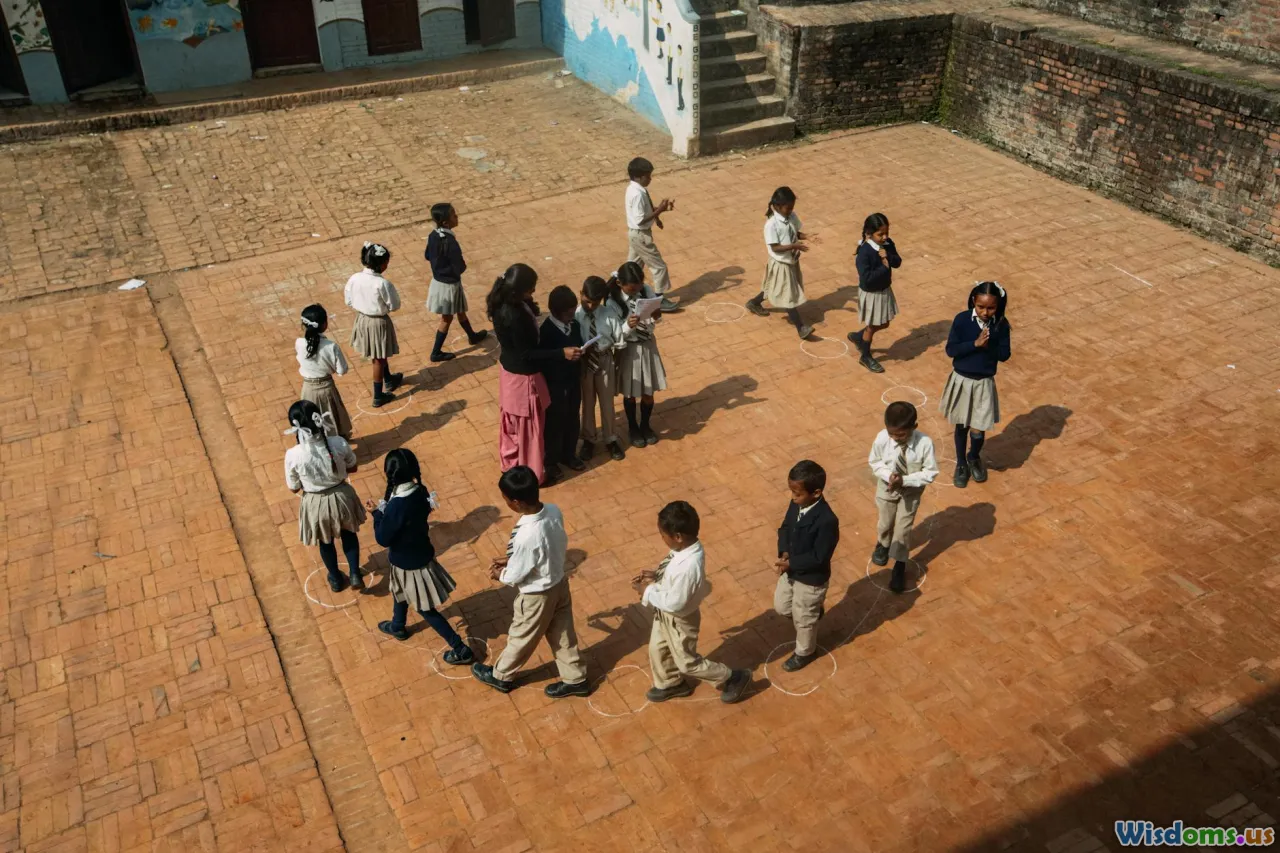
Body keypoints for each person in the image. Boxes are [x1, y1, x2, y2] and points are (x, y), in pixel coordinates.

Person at [471, 466, 590, 698]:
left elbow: (515, 574)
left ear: (515, 502)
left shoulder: (527, 535)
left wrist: (501, 574)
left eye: (505, 498)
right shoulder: (553, 511)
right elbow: (544, 549)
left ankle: (501, 676)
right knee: (562, 632)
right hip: (558, 583)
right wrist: (512, 558)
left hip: (537, 595)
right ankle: (576, 678)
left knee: (522, 635)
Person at [633, 501, 751, 703]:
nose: (661, 538)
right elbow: (671, 567)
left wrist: (648, 590)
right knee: (657, 649)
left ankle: (733, 677)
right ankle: (670, 684)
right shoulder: (683, 549)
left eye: (663, 535)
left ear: (677, 537)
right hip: (666, 615)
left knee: (687, 663)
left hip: (679, 620)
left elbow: (675, 603)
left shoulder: (689, 567)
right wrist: (657, 575)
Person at [365, 449, 474, 663]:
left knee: (425, 608)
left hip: (409, 564)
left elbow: (383, 538)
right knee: (400, 591)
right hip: (419, 553)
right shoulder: (419, 491)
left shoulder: (397, 504)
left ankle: (460, 648)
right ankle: (398, 625)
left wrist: (377, 515)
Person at [486, 264, 582, 485]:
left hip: (512, 374)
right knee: (529, 427)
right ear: (518, 291)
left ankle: (515, 462)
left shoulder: (508, 304)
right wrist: (561, 353)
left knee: (516, 425)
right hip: (523, 378)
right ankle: (534, 473)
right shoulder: (513, 315)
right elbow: (527, 353)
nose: (533, 293)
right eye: (530, 289)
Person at [283, 400, 366, 593]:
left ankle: (335, 579)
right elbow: (353, 466)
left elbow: (293, 488)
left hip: (315, 502)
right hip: (342, 496)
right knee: (349, 534)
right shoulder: (337, 442)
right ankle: (354, 573)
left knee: (325, 541)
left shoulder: (293, 455)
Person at [941, 281, 1011, 488]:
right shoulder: (962, 320)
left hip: (983, 384)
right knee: (961, 425)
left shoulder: (1001, 325)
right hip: (962, 381)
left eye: (991, 308)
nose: (985, 312)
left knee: (979, 428)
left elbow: (1004, 355)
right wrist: (974, 344)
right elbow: (951, 350)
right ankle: (961, 463)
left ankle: (973, 456)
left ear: (998, 306)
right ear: (973, 301)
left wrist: (988, 347)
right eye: (981, 307)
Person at [773, 460, 840, 671]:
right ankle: (814, 612)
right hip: (791, 570)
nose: (793, 497)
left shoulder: (827, 520)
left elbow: (820, 557)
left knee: (803, 620)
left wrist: (791, 562)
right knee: (782, 606)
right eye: (791, 492)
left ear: (816, 493)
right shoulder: (796, 504)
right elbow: (785, 528)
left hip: (811, 579)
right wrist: (784, 553)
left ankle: (805, 652)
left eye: (797, 493)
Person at [867, 402, 937, 593]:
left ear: (914, 427)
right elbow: (874, 462)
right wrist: (889, 476)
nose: (896, 438)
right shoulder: (882, 439)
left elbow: (930, 472)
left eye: (901, 435)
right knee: (885, 522)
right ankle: (883, 544)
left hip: (911, 491)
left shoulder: (925, 444)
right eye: (892, 434)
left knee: (903, 528)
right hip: (886, 488)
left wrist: (905, 480)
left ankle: (899, 564)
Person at [605, 262, 667, 448]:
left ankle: (645, 425)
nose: (636, 291)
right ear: (620, 284)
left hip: (648, 345)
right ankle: (632, 427)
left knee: (648, 391)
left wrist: (656, 314)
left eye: (639, 286)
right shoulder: (612, 302)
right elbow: (615, 336)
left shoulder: (646, 290)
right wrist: (628, 326)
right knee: (630, 392)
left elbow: (656, 319)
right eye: (631, 288)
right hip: (629, 349)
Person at [747, 186, 815, 340]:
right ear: (777, 206)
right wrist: (794, 246)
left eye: (792, 208)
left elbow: (794, 232)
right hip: (780, 263)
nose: (790, 210)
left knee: (774, 286)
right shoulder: (771, 225)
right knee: (788, 295)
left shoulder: (791, 216)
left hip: (791, 261)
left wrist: (807, 236)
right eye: (788, 208)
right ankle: (801, 328)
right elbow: (775, 247)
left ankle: (753, 302)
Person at [424, 202, 488, 363]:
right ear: (446, 222)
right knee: (447, 318)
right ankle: (436, 352)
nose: (456, 216)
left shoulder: (433, 235)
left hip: (439, 282)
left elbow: (427, 255)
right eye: (453, 215)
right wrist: (457, 269)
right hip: (449, 285)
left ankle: (472, 335)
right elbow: (459, 265)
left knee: (460, 310)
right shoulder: (451, 242)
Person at [344, 241, 403, 407]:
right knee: (378, 358)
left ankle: (389, 379)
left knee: (380, 353)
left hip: (362, 319)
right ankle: (378, 396)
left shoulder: (354, 278)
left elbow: (348, 300)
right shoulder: (383, 284)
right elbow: (395, 305)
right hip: (378, 323)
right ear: (382, 264)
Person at [577, 276, 627, 463]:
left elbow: (620, 343)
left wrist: (615, 364)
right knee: (587, 403)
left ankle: (611, 438)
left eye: (595, 303)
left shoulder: (608, 315)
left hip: (605, 360)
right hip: (585, 363)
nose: (590, 306)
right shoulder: (576, 315)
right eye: (587, 301)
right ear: (580, 294)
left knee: (607, 403)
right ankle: (588, 439)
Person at [539, 285, 586, 481]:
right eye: (568, 313)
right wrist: (562, 357)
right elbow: (543, 358)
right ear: (556, 313)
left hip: (573, 381)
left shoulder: (574, 326)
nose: (572, 316)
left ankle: (569, 454)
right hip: (555, 385)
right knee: (554, 423)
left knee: (573, 417)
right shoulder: (546, 331)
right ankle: (551, 461)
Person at [847, 213, 902, 374]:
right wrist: (883, 266)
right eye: (880, 234)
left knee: (884, 323)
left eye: (886, 233)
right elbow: (867, 278)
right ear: (869, 234)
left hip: (884, 289)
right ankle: (865, 356)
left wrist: (889, 257)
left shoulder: (888, 244)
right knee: (873, 325)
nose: (884, 237)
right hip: (872, 293)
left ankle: (859, 336)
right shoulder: (864, 253)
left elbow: (897, 262)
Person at [624, 157, 678, 312]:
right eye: (648, 176)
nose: (650, 179)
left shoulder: (635, 189)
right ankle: (658, 300)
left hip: (636, 235)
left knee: (632, 266)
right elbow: (640, 220)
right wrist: (659, 209)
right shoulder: (637, 194)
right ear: (639, 177)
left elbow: (644, 211)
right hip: (641, 235)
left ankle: (621, 292)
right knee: (659, 267)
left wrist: (661, 211)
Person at [296, 304, 353, 440]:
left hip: (308, 389)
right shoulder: (331, 346)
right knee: (332, 416)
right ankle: (339, 443)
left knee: (311, 420)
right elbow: (342, 370)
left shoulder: (298, 343)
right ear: (324, 324)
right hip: (326, 388)